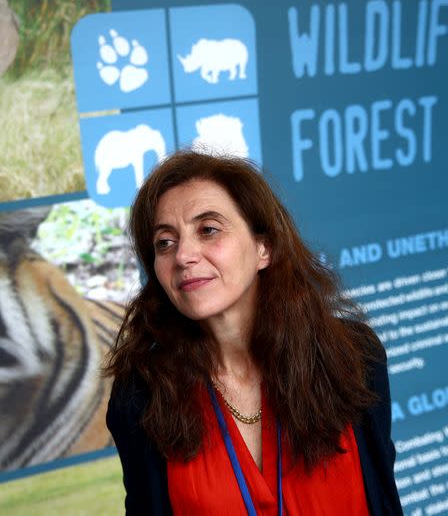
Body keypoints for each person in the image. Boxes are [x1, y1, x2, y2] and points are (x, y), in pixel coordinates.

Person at [105, 151, 402, 515]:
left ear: (264, 248)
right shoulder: (142, 394)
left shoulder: (353, 357)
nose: (183, 255)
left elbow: (384, 500)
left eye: (208, 230)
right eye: (165, 242)